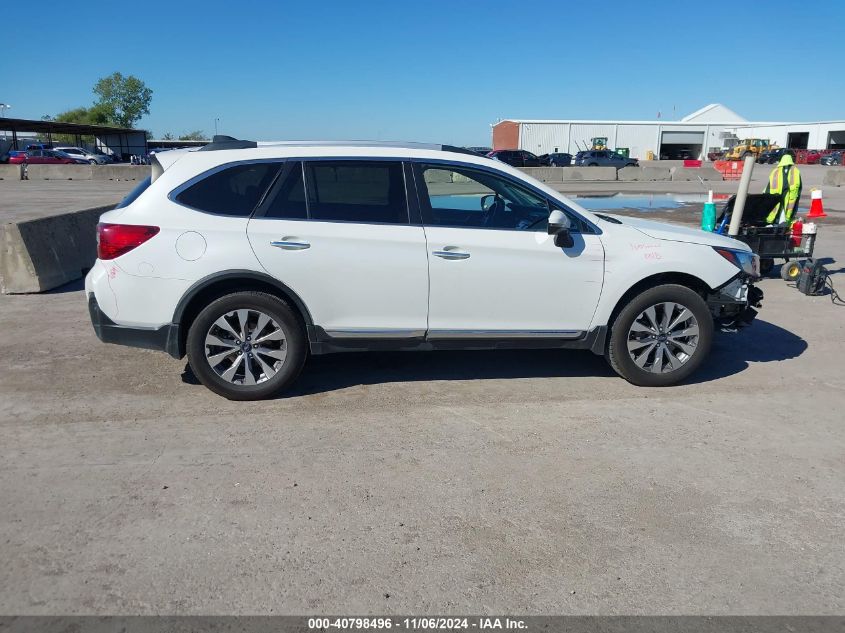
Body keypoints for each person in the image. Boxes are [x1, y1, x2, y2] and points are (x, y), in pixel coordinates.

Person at [764, 152, 802, 224]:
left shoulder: (775, 171)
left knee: (777, 211)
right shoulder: (795, 171)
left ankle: (772, 222)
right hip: (789, 196)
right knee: (786, 212)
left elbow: (769, 186)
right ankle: (782, 221)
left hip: (775, 196)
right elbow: (799, 187)